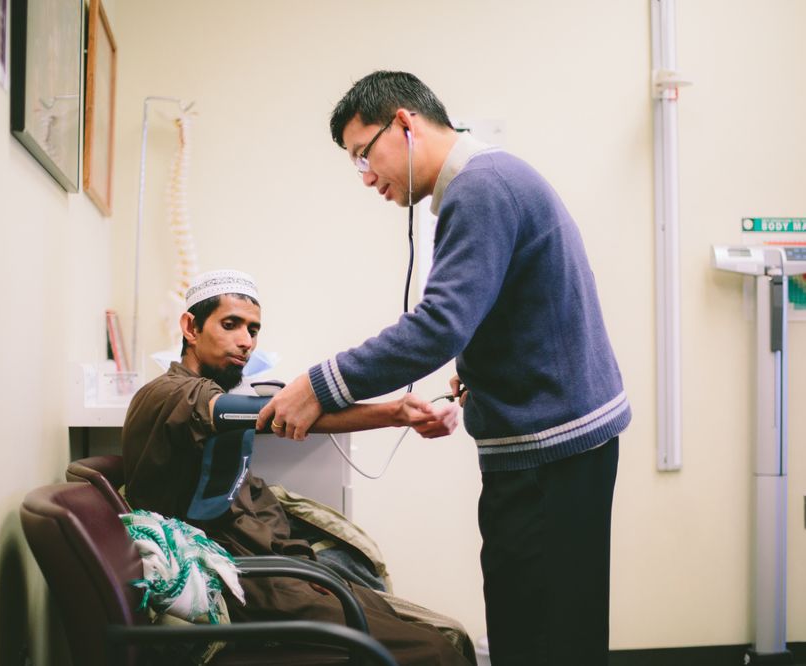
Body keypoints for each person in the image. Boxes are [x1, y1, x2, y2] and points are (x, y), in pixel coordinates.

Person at [257, 71, 632, 665]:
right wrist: (481, 369)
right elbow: (504, 307)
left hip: (551, 452)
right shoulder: (487, 178)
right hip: (560, 438)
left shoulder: (480, 187)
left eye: (364, 155)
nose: (366, 177)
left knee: (541, 635)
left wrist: (318, 385)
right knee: (553, 621)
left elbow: (439, 324)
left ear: (404, 122)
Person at [122, 268, 473, 666]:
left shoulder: (209, 394)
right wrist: (394, 412)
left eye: (253, 330)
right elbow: (267, 415)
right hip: (244, 581)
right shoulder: (171, 394)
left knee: (446, 632)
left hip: (280, 568)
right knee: (434, 651)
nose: (245, 342)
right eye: (230, 324)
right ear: (190, 327)